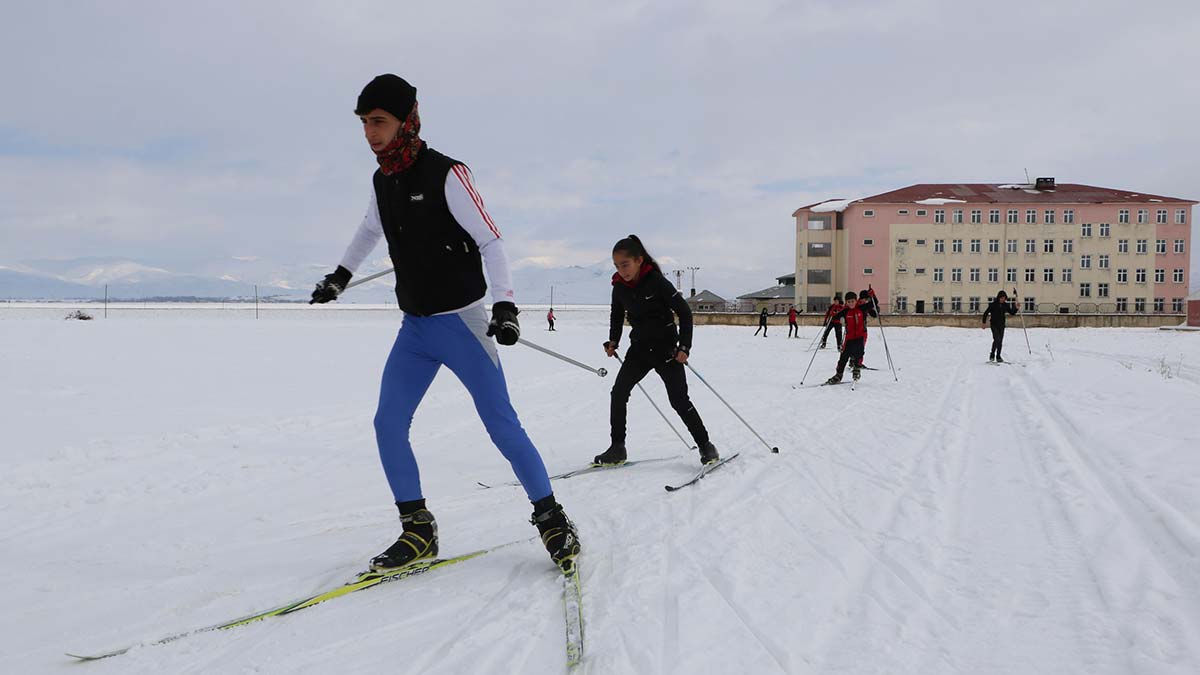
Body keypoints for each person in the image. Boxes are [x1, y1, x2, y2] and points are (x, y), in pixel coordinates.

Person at [310, 74, 579, 574]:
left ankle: (553, 519)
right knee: (388, 423)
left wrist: (505, 308)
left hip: (462, 324)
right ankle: (418, 530)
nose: (370, 132)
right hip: (415, 329)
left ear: (407, 120)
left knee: (501, 425)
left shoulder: (447, 174)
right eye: (365, 123)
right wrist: (340, 277)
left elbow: (492, 242)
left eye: (379, 122)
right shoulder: (382, 180)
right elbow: (370, 229)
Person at [594, 235, 718, 467]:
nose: (621, 271)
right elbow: (616, 315)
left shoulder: (657, 282)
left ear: (639, 260)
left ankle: (706, 446)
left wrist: (684, 347)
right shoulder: (619, 287)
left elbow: (685, 313)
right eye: (617, 266)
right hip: (639, 350)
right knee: (618, 393)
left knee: (679, 400)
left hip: (667, 351)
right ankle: (617, 447)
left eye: (625, 264)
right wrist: (613, 341)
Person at [824, 289, 878, 384]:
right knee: (843, 357)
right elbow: (835, 317)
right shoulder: (845, 311)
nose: (851, 303)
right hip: (849, 338)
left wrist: (872, 295)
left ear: (856, 300)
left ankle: (856, 371)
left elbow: (874, 303)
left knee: (859, 354)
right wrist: (833, 316)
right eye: (849, 302)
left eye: (852, 301)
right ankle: (838, 375)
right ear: (846, 302)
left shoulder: (862, 308)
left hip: (860, 337)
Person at [982, 290, 1019, 362]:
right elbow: (986, 313)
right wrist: (984, 323)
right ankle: (992, 354)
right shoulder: (993, 304)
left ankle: (998, 356)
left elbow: (1012, 312)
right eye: (1001, 298)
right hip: (994, 325)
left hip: (1002, 325)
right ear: (999, 297)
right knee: (997, 339)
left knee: (1000, 341)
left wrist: (1016, 308)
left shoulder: (1005, 305)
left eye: (1004, 298)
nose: (1003, 299)